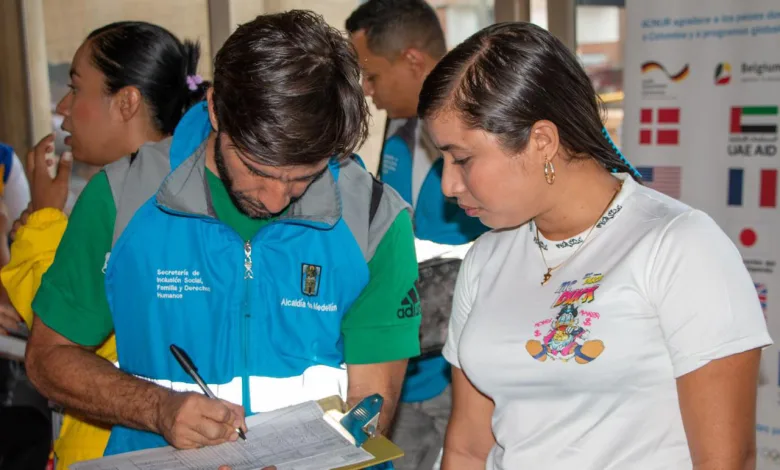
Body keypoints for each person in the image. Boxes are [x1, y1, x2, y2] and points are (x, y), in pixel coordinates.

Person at [24, 10, 419, 465]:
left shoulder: (374, 219)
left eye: (302, 178)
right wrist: (158, 408)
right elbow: (48, 357)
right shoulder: (122, 198)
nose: (275, 199)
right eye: (256, 170)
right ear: (215, 109)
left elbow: (371, 408)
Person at [419, 22, 771, 469]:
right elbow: (469, 448)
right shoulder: (486, 258)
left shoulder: (679, 246)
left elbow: (726, 461)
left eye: (462, 159)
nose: (449, 185)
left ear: (541, 142)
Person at [0, 21, 209, 469]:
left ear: (127, 102)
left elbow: (60, 332)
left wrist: (41, 221)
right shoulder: (186, 181)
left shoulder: (125, 197)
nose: (62, 108)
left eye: (76, 88)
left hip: (113, 446)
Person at [346, 2, 487, 469]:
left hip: (465, 375)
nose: (368, 92)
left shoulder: (490, 143)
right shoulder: (397, 139)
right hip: (405, 373)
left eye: (372, 76)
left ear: (412, 60)